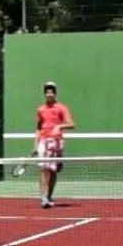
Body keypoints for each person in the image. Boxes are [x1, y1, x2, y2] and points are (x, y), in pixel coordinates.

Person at [33, 80, 75, 209]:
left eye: (51, 92)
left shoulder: (61, 108)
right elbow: (38, 128)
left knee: (53, 171)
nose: (49, 94)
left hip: (56, 142)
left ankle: (49, 196)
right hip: (43, 142)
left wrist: (59, 126)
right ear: (44, 94)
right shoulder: (40, 110)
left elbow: (71, 124)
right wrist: (35, 145)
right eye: (47, 92)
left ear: (55, 94)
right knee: (44, 169)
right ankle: (43, 198)